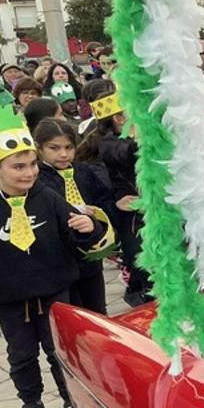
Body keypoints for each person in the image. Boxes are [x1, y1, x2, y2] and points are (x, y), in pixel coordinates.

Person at [0, 99, 104, 408]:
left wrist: (90, 230)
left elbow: (74, 237)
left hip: (55, 289)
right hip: (11, 297)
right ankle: (31, 402)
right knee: (21, 356)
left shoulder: (46, 196)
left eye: (31, 164)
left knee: (60, 351)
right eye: (17, 166)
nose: (28, 172)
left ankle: (73, 401)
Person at [80, 79, 151, 307]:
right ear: (120, 118)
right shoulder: (109, 144)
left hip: (155, 214)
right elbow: (128, 152)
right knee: (145, 272)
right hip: (133, 222)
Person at [33, 119, 115, 313]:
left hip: (90, 258)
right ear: (39, 148)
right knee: (71, 315)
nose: (63, 154)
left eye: (69, 147)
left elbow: (103, 199)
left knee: (97, 312)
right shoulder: (37, 180)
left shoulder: (83, 172)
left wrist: (104, 212)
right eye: (54, 148)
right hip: (60, 262)